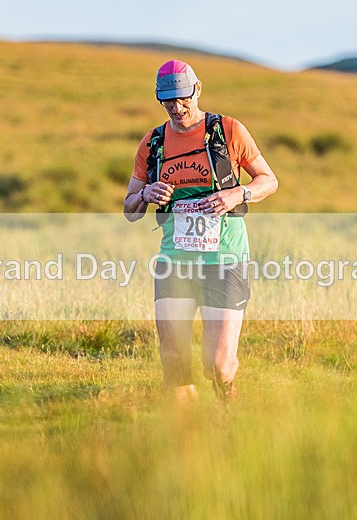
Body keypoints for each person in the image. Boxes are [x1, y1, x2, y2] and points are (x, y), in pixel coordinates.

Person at [124, 59, 278, 402]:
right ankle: (189, 441)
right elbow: (129, 209)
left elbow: (269, 180)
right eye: (168, 102)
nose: (177, 109)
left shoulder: (228, 131)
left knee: (218, 365)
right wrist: (146, 194)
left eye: (183, 99)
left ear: (198, 89)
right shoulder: (153, 143)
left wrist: (237, 193)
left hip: (224, 258)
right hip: (175, 260)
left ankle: (228, 408)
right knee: (174, 360)